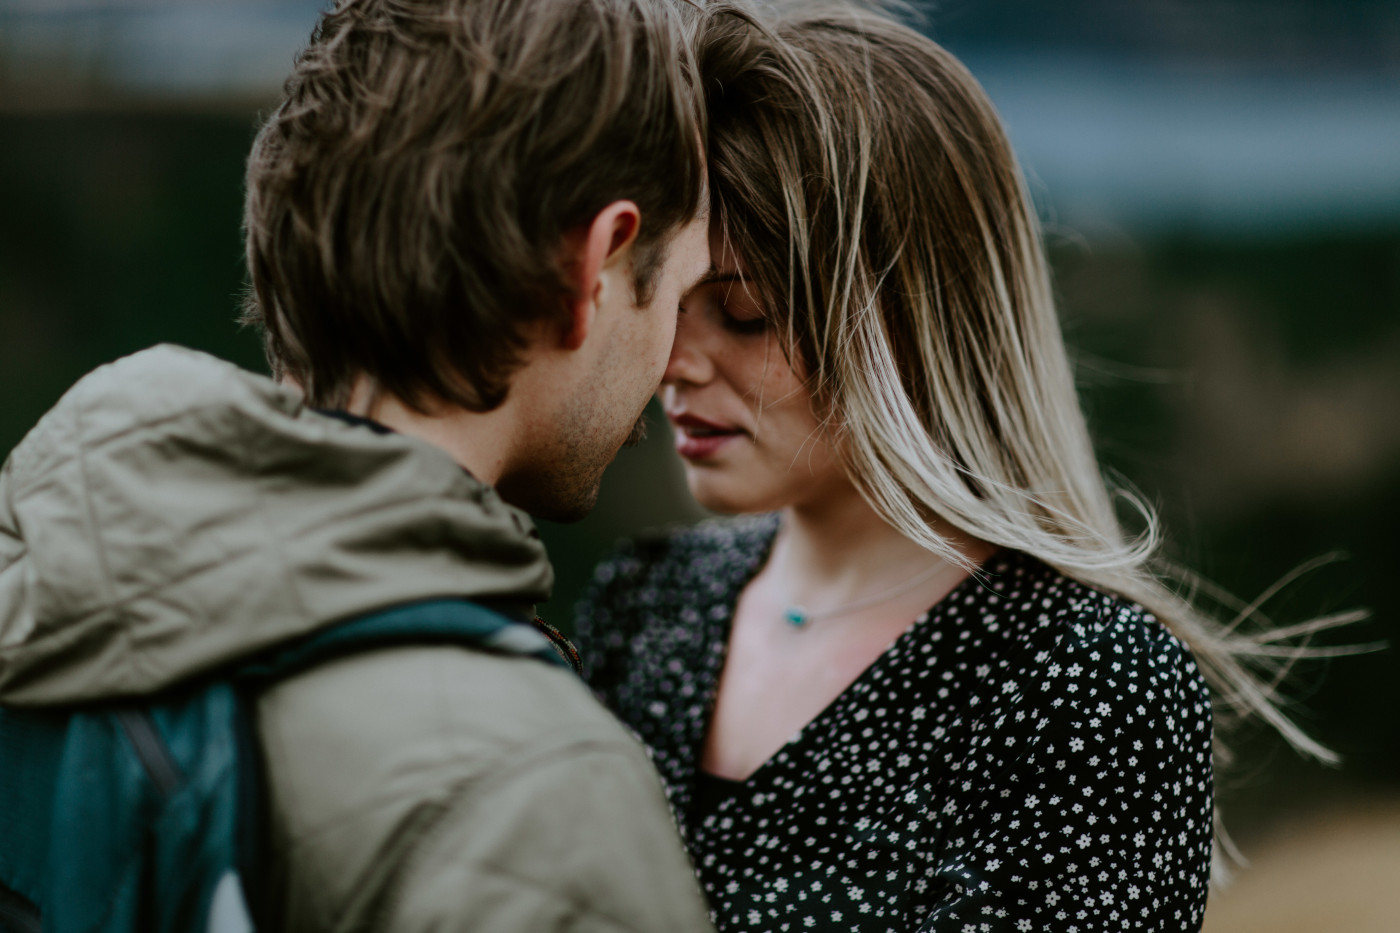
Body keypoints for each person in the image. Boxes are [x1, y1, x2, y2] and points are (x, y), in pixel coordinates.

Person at [576, 3, 1329, 931]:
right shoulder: (645, 606)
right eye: (661, 302)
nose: (673, 362)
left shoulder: (1090, 689)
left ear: (911, 324)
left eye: (743, 313)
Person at [0, 0, 717, 930]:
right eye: (687, 292)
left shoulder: (36, 588)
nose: (676, 361)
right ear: (594, 263)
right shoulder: (533, 793)